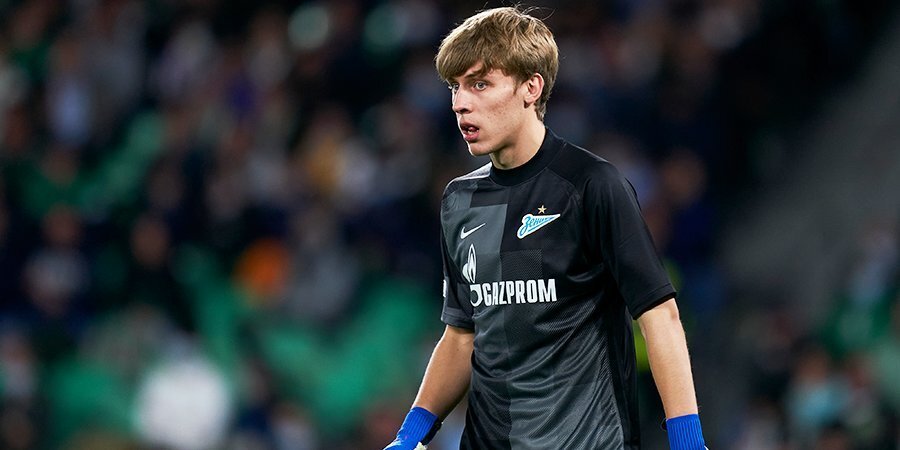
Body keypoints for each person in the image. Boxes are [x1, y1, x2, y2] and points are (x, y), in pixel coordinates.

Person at [386, 6, 706, 449]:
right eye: (455, 87)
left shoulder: (592, 186)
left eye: (480, 84)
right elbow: (461, 337)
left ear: (531, 88)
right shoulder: (459, 201)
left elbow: (659, 317)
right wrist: (409, 437)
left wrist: (688, 440)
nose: (460, 103)